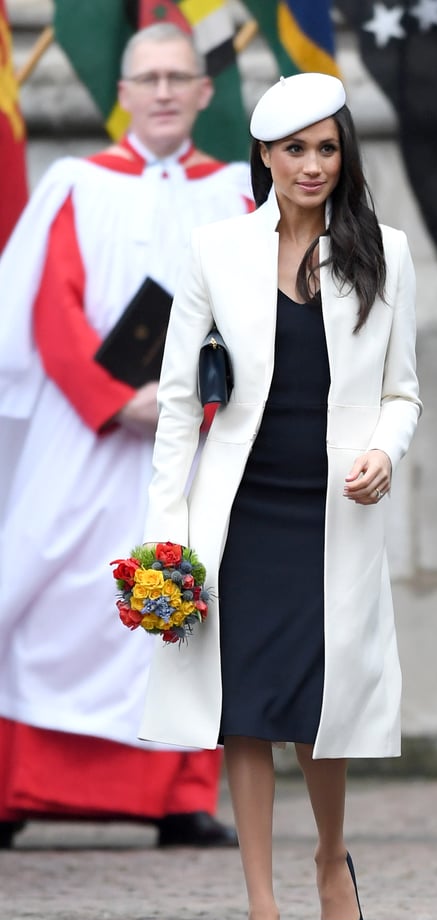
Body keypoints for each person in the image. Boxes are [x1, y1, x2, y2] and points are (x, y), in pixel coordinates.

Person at [138, 72, 421, 920]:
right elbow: (180, 406)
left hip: (335, 511)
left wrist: (385, 449)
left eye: (327, 148)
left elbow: (402, 391)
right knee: (245, 715)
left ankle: (330, 856)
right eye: (294, 149)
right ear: (264, 156)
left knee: (322, 717)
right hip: (240, 517)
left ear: (344, 156)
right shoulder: (214, 249)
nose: (312, 165)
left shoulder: (387, 251)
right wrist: (163, 538)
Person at [0, 23, 255, 849]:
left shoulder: (236, 195)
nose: (164, 91)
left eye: (179, 77)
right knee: (42, 594)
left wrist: (193, 406)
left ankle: (176, 797)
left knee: (185, 604)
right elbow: (54, 308)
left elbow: (252, 320)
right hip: (86, 438)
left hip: (189, 447)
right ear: (123, 93)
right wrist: (118, 400)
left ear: (204, 92)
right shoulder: (76, 183)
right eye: (147, 78)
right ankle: (17, 791)